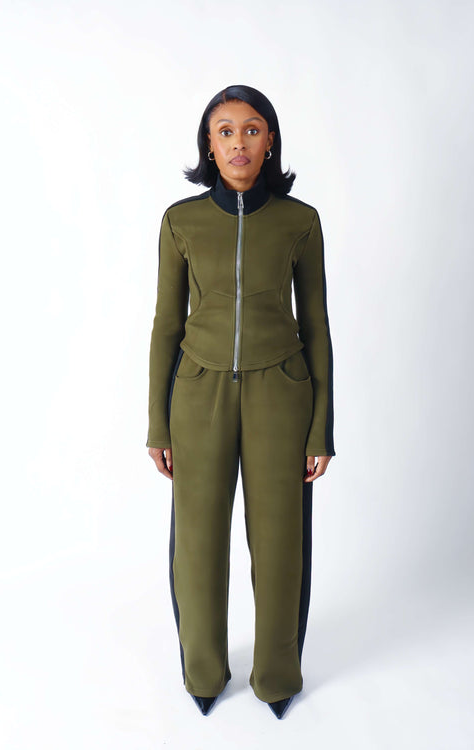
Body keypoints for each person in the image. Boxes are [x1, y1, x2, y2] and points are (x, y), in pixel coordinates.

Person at [146, 84, 335, 720]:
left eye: (251, 129)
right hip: (197, 397)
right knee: (197, 544)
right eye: (224, 131)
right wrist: (156, 423)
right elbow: (166, 326)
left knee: (281, 546)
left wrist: (321, 429)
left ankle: (276, 678)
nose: (238, 143)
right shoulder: (181, 221)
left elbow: (317, 327)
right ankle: (203, 673)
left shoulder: (299, 221)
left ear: (270, 140)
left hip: (281, 395)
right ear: (209, 143)